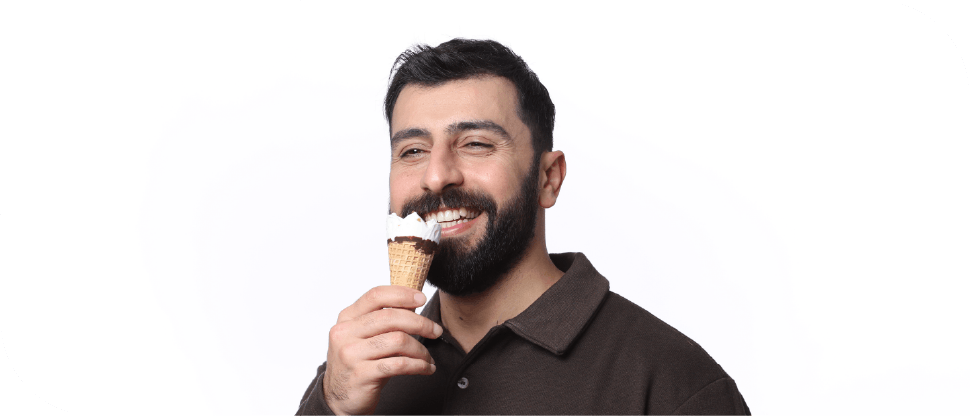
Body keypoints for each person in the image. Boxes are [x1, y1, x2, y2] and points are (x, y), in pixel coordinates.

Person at [296, 38, 750, 416]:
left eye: (475, 143)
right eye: (412, 150)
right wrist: (331, 403)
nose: (436, 176)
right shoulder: (361, 373)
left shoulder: (676, 384)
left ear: (547, 178)